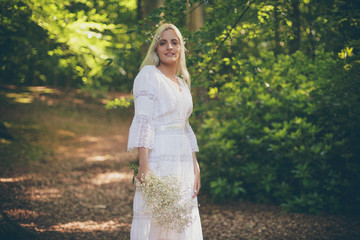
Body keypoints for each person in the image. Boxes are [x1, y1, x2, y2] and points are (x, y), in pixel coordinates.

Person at [127, 23, 203, 239]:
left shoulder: (182, 82)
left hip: (184, 161)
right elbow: (144, 121)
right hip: (159, 155)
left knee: (181, 217)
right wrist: (144, 165)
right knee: (156, 218)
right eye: (163, 43)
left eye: (174, 42)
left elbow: (185, 126)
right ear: (156, 49)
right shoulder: (149, 75)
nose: (169, 47)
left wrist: (195, 166)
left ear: (181, 48)